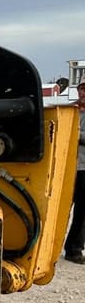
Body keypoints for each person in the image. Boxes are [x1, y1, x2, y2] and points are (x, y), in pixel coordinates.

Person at [64, 81, 85, 263]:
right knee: (59, 210)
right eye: (83, 88)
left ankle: (74, 249)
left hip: (83, 169)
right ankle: (48, 249)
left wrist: (73, 134)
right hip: (65, 169)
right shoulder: (68, 112)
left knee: (81, 212)